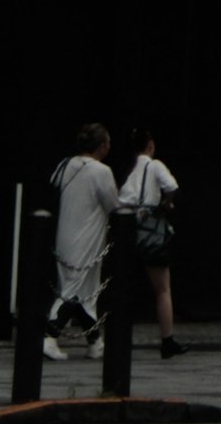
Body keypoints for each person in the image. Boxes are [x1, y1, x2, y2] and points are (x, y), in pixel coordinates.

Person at [44, 123, 115, 359]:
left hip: (65, 234)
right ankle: (49, 337)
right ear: (102, 146)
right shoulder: (101, 172)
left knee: (83, 291)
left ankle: (95, 342)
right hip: (87, 238)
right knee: (75, 290)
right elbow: (113, 205)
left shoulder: (65, 165)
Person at [117, 132, 182, 359]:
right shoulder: (154, 166)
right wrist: (167, 202)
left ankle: (119, 335)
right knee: (162, 289)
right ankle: (167, 339)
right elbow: (171, 186)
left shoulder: (130, 170)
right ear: (151, 146)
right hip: (151, 231)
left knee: (124, 287)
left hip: (129, 230)